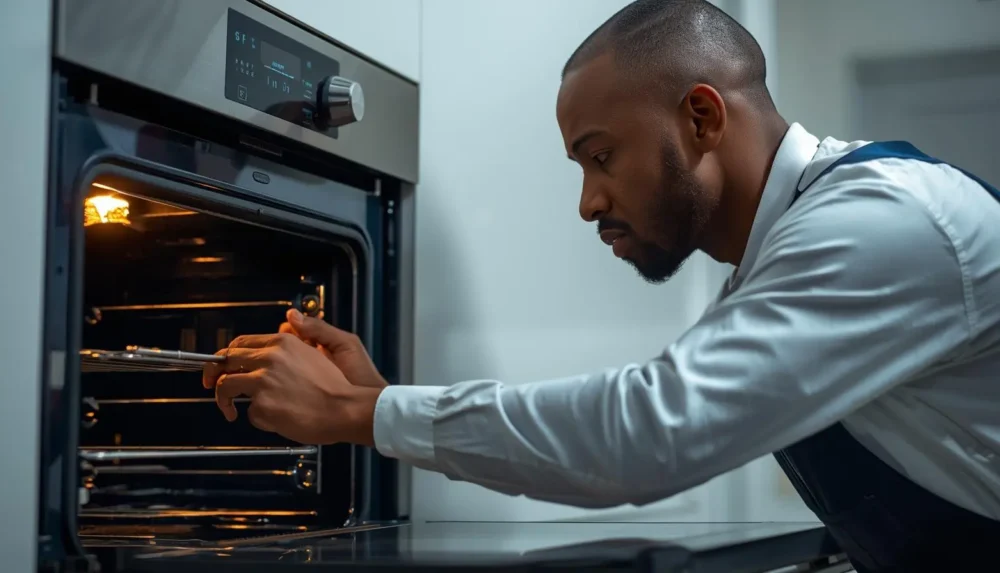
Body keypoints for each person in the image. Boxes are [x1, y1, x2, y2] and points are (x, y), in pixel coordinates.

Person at [202, 0, 1000, 570]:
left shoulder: (880, 221)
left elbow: (649, 429)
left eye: (601, 155)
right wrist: (377, 395)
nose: (588, 202)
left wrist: (357, 412)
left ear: (702, 118)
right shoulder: (780, 260)